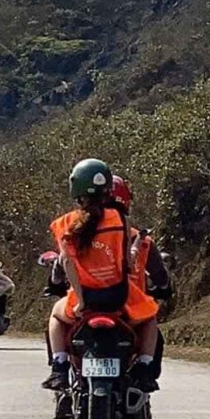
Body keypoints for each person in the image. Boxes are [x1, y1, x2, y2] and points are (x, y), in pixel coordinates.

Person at [42, 159, 160, 392]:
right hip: (119, 299)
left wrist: (82, 300)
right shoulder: (121, 221)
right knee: (150, 318)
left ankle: (59, 366)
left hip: (84, 301)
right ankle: (145, 368)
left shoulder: (65, 223)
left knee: (56, 317)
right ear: (107, 189)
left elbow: (67, 262)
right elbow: (128, 262)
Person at [113, 175, 171, 385]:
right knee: (152, 326)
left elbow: (64, 265)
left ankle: (61, 371)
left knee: (57, 326)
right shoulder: (142, 241)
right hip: (130, 309)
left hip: (87, 305)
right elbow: (160, 276)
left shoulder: (80, 232)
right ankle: (145, 373)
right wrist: (164, 288)